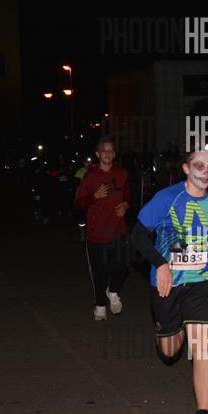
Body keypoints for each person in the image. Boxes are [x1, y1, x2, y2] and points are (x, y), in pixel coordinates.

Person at [130, 148, 208, 414]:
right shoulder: (167, 198)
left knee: (203, 345)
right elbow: (137, 235)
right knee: (169, 351)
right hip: (168, 282)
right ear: (186, 168)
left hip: (203, 280)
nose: (205, 172)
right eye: (199, 166)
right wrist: (161, 263)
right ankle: (170, 328)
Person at [74, 137, 131, 321]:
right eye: (104, 150)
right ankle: (100, 304)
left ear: (114, 154)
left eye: (111, 150)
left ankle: (112, 291)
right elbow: (78, 203)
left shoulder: (122, 174)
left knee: (123, 266)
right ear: (98, 154)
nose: (107, 153)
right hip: (96, 233)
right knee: (100, 272)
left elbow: (128, 195)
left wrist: (125, 206)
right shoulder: (90, 176)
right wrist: (94, 196)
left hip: (118, 230)